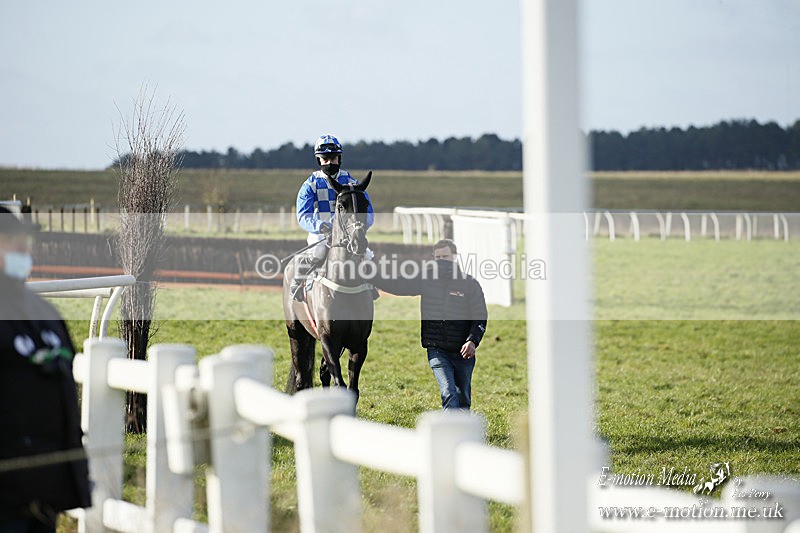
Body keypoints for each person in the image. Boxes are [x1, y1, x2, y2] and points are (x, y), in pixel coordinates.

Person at [0, 206, 91, 532]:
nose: (23, 248)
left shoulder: (45, 313)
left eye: (24, 240)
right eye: (10, 241)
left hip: (43, 492)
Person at [371, 239, 487, 410]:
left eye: (445, 256)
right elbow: (397, 284)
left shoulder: (469, 284)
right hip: (437, 349)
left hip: (463, 352)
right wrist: (370, 274)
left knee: (463, 398)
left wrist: (472, 341)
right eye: (438, 257)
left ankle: (463, 431)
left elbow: (480, 315)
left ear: (455, 257)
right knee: (448, 391)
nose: (441, 260)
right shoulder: (425, 278)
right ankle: (451, 433)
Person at [291, 134, 376, 301]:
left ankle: (370, 286)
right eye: (325, 159)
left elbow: (369, 213)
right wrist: (321, 226)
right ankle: (298, 283)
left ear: (339, 158)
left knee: (366, 254)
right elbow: (303, 215)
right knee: (318, 250)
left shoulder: (352, 183)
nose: (329, 162)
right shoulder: (310, 185)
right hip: (321, 232)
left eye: (333, 158)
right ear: (319, 160)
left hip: (348, 232)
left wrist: (359, 226)